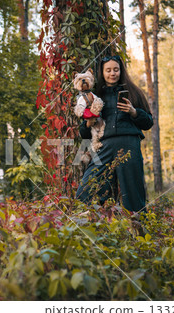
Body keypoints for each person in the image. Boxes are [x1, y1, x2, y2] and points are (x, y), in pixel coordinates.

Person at [75, 55, 153, 212]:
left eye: (116, 69)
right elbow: (84, 133)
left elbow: (148, 122)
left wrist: (133, 112)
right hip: (104, 147)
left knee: (133, 195)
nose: (112, 73)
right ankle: (92, 228)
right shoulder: (95, 96)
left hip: (129, 145)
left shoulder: (134, 93)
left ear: (121, 71)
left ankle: (139, 231)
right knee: (86, 189)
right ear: (102, 73)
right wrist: (88, 123)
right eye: (108, 70)